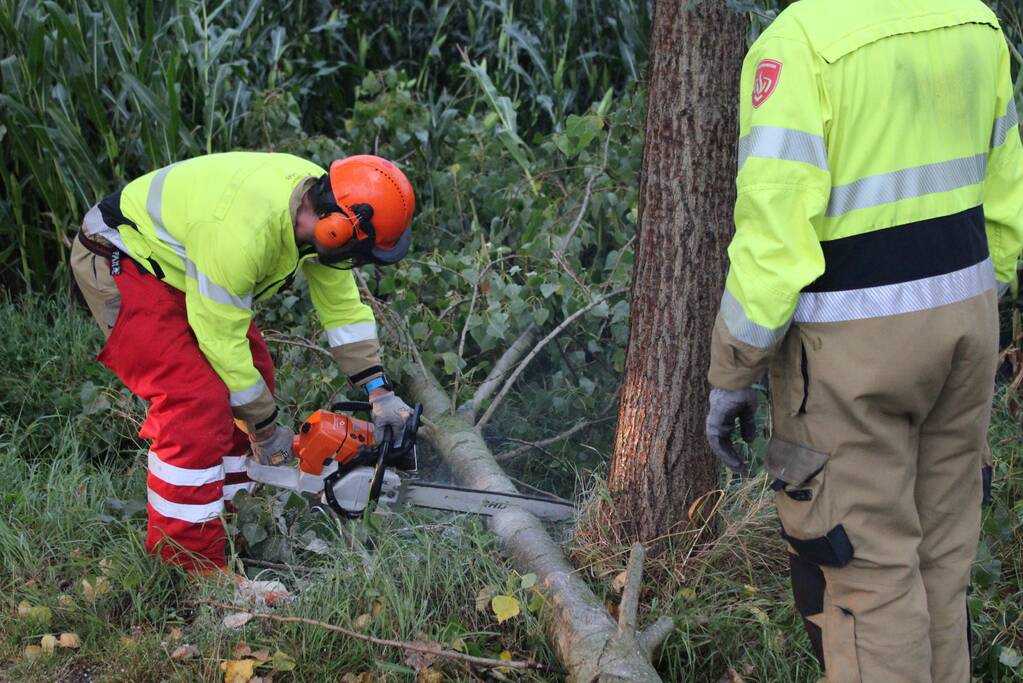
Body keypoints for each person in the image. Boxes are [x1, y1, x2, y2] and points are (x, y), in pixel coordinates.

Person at [704, 1, 1023, 681]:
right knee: (941, 563)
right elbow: (1006, 198)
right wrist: (974, 303)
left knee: (863, 577)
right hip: (966, 324)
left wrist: (732, 369)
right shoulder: (973, 21)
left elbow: (773, 244)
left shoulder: (798, 44)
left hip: (850, 354)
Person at [70, 152, 416, 577]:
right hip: (120, 254)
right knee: (195, 400)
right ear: (336, 230)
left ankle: (227, 520)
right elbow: (220, 338)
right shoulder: (243, 231)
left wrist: (379, 392)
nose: (355, 262)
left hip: (181, 263)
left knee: (255, 375)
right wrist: (264, 429)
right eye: (358, 253)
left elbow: (342, 308)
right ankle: (191, 566)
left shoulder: (325, 203)